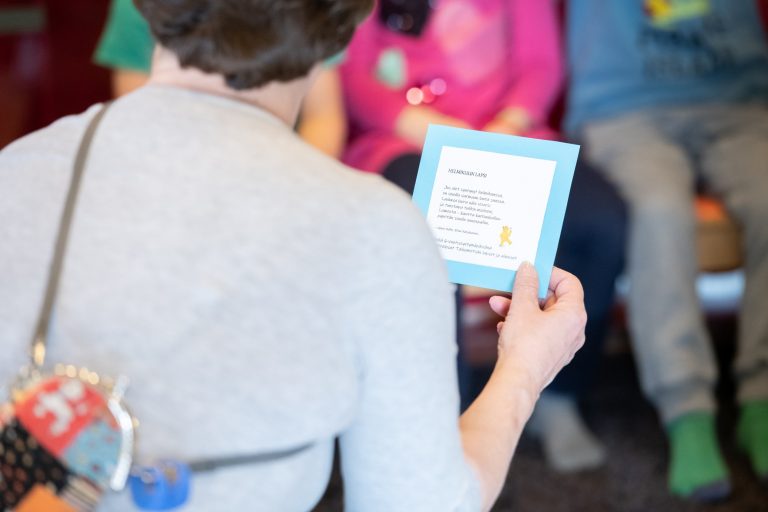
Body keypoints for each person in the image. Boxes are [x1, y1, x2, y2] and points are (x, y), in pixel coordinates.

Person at [0, 1, 587, 510]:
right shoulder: (375, 229)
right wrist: (525, 367)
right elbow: (420, 501)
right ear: (343, 25)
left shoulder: (16, 172)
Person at [340, 0, 626, 472]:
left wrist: (501, 132)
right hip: (402, 141)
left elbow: (540, 65)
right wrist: (427, 128)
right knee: (422, 238)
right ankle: (440, 421)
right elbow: (351, 76)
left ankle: (559, 395)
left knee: (601, 221)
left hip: (511, 137)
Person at [565, 0, 768, 501]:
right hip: (623, 108)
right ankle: (686, 411)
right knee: (659, 213)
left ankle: (761, 400)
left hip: (739, 102)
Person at [94, 0, 348, 157]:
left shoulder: (305, 11)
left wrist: (297, 181)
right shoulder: (137, 8)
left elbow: (323, 118)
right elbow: (140, 117)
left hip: (281, 164)